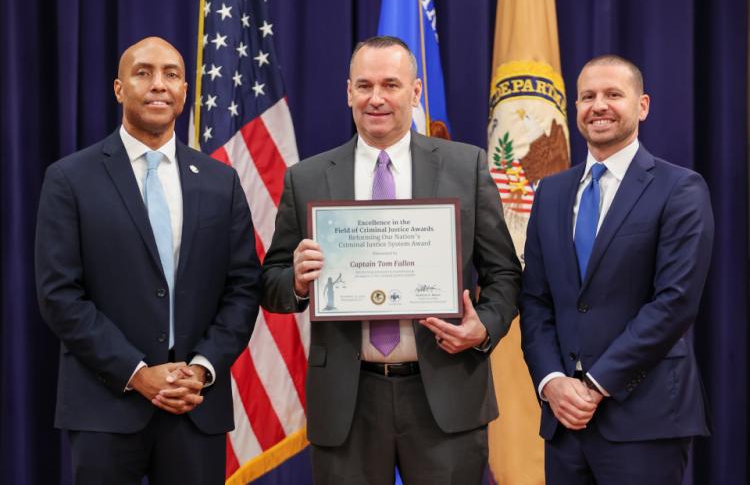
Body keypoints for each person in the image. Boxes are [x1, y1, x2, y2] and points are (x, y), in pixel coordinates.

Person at [261, 35, 521, 484]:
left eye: (391, 85)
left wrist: (484, 328)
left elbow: (504, 275)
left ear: (416, 92)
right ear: (348, 93)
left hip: (445, 393)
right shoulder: (308, 178)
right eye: (364, 86)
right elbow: (271, 282)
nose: (376, 98)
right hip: (348, 399)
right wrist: (298, 282)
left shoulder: (467, 167)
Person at [35, 37, 262, 484]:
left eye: (172, 74)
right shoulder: (69, 178)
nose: (159, 85)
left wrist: (200, 369)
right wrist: (136, 373)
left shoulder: (222, 181)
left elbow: (242, 287)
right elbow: (59, 294)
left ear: (183, 91)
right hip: (105, 406)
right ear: (120, 88)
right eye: (143, 73)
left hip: (194, 406)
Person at [520, 55, 714, 484]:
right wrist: (552, 381)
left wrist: (595, 384)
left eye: (613, 94)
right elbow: (535, 300)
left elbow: (675, 303)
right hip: (565, 424)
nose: (599, 105)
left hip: (644, 421)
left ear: (642, 106)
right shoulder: (550, 193)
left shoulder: (680, 188)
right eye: (587, 96)